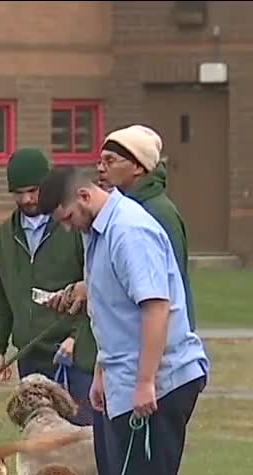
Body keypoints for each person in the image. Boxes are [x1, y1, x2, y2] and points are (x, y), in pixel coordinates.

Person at [37, 165, 209, 475]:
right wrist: (101, 370)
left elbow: (155, 307)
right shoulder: (95, 235)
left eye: (65, 218)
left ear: (82, 195)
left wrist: (146, 380)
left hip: (161, 380)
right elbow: (110, 311)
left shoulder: (130, 231)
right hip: (119, 377)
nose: (66, 228)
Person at [0, 146, 95, 475]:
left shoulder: (72, 227)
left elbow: (98, 285)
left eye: (33, 190)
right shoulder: (4, 237)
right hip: (31, 358)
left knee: (80, 447)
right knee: (40, 454)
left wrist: (79, 338)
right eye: (19, 192)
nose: (28, 200)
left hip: (73, 356)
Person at [96, 124, 197, 329]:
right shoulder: (118, 211)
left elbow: (169, 287)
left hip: (164, 340)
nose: (100, 168)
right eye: (100, 160)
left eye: (110, 161)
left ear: (138, 166)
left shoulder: (159, 213)